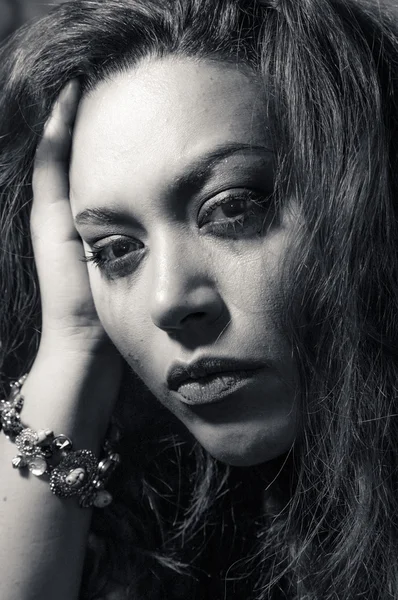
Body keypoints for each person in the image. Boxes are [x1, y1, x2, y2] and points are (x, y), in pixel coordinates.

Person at [0, 0, 397, 598]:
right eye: (114, 251)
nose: (166, 301)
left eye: (232, 209)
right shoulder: (171, 536)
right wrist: (74, 342)